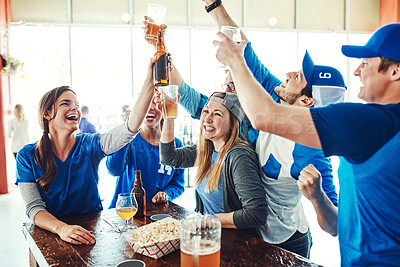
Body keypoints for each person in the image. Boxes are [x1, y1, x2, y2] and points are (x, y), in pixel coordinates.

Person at [144, 3, 343, 257]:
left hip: (288, 238)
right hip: (251, 233)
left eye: (300, 77)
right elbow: (243, 50)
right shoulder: (272, 100)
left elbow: (336, 226)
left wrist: (317, 198)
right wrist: (212, 5)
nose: (290, 73)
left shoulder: (313, 153)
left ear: (306, 101)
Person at [214, 22, 400, 266]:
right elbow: (336, 227)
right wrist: (317, 197)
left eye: (365, 63)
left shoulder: (368, 122)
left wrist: (234, 61)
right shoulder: (373, 131)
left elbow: (262, 116)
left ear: (395, 71)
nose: (357, 71)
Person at [15, 59, 156, 245]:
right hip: (52, 232)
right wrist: (61, 228)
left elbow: (128, 130)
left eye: (76, 104)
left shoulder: (89, 144)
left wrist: (150, 81)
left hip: (92, 231)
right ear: (47, 114)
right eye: (66, 103)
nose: (75, 108)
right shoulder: (27, 155)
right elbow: (34, 208)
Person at [160, 92, 268, 238]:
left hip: (234, 241)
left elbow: (256, 213)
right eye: (205, 111)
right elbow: (169, 158)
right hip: (208, 234)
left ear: (232, 124)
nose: (207, 119)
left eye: (217, 114)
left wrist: (207, 221)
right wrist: (169, 116)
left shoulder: (239, 156)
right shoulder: (207, 150)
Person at [106, 93, 185, 207]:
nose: (150, 107)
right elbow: (113, 170)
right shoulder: (128, 139)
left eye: (155, 102)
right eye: (145, 103)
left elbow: (178, 184)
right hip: (125, 213)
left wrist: (166, 194)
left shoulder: (176, 144)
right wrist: (126, 131)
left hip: (155, 214)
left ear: (165, 109)